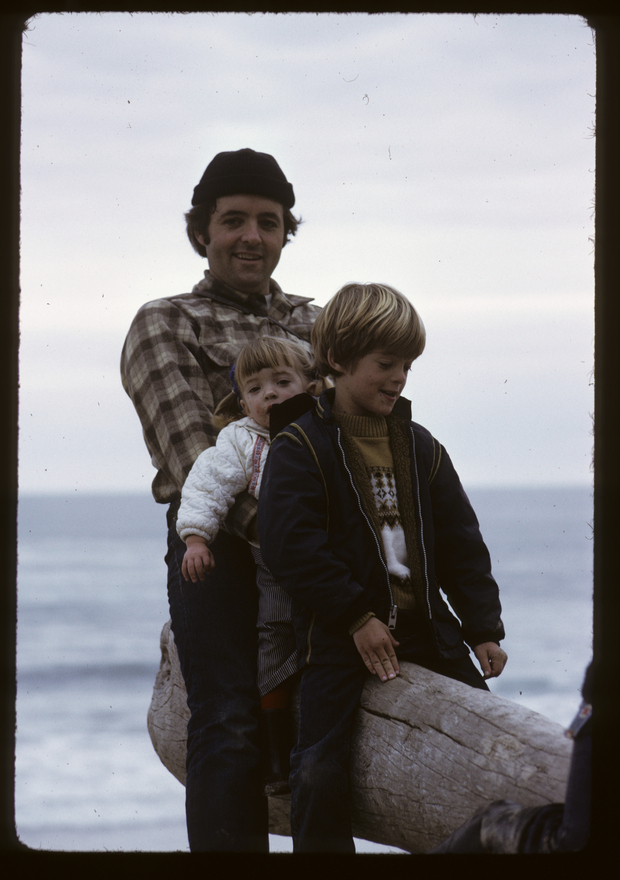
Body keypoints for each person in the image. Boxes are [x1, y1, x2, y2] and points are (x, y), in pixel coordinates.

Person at [257, 282, 508, 853]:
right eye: (386, 364)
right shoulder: (300, 445)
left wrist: (483, 628)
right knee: (317, 769)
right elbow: (291, 546)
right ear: (338, 359)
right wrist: (356, 616)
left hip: (429, 633)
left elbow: (463, 545)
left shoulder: (421, 447)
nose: (399, 378)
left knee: (488, 739)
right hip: (338, 639)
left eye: (407, 367)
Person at [120, 148, 319, 852]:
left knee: (325, 720)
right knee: (230, 718)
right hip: (219, 541)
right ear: (202, 230)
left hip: (321, 539)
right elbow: (191, 457)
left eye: (268, 221)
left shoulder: (318, 322)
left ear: (286, 231)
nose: (251, 237)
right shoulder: (166, 323)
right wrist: (295, 540)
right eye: (233, 220)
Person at [176, 336, 323, 796]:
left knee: (329, 635)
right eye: (256, 389)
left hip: (328, 557)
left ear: (311, 386)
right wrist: (196, 537)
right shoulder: (241, 440)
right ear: (243, 404)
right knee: (274, 635)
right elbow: (207, 483)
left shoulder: (326, 427)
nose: (270, 394)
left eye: (282, 382)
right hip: (274, 562)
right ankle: (276, 753)